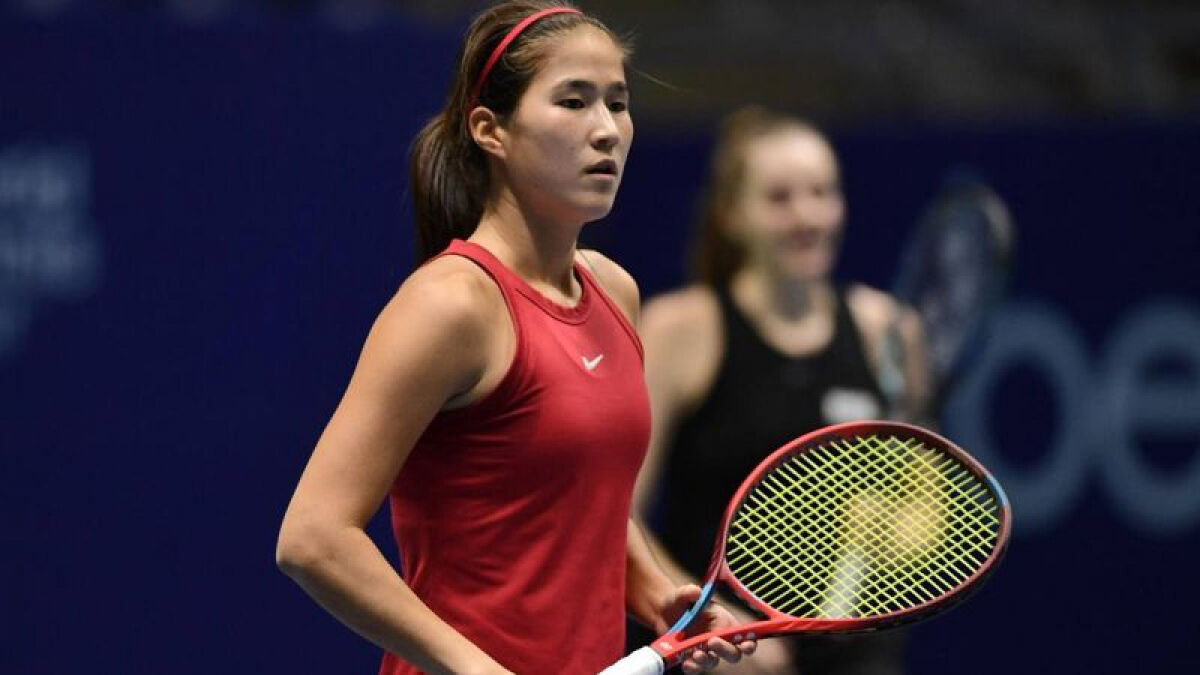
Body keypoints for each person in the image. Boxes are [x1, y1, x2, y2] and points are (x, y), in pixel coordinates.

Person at [275, 3, 757, 673]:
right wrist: (478, 668)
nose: (606, 130)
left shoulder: (613, 290)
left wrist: (654, 592)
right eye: (573, 102)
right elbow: (313, 537)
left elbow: (579, 494)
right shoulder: (451, 305)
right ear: (490, 130)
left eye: (618, 103)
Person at [633, 106, 929, 674]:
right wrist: (709, 622)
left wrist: (894, 530)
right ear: (731, 215)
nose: (807, 215)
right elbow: (619, 517)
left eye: (822, 193)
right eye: (779, 198)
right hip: (718, 660)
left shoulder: (889, 332)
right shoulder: (678, 330)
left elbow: (925, 515)